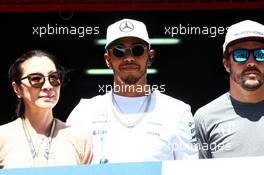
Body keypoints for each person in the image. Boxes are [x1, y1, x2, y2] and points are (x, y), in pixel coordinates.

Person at [67, 18, 198, 164]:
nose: (129, 58)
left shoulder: (177, 112)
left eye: (137, 50)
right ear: (108, 59)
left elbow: (190, 169)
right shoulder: (84, 112)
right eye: (119, 51)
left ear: (150, 56)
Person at [0, 50, 93, 168]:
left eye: (54, 77)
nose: (48, 86)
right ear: (17, 89)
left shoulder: (79, 138)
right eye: (36, 79)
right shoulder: (2, 137)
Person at [194, 20, 264, 158]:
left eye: (261, 53)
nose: (251, 62)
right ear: (226, 64)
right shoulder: (205, 118)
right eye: (240, 54)